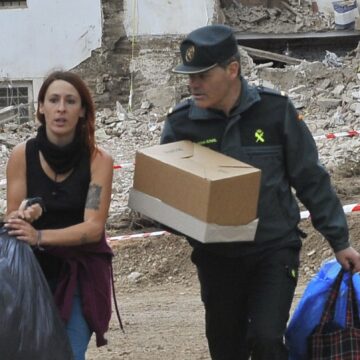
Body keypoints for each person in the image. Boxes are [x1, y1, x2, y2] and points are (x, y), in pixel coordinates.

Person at [160, 24, 360, 360]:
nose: (193, 84)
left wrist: (340, 242)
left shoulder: (275, 110)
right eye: (189, 76)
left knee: (267, 339)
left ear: (232, 69)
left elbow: (310, 178)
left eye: (203, 75)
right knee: (227, 349)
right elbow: (165, 196)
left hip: (273, 250)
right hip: (217, 259)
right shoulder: (181, 125)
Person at [5, 70, 114, 360]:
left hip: (79, 275)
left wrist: (39, 235)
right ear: (41, 107)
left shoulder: (98, 161)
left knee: (67, 353)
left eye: (70, 101)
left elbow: (93, 227)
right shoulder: (21, 155)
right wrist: (27, 212)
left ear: (82, 111)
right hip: (30, 276)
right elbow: (12, 219)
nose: (61, 108)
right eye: (53, 100)